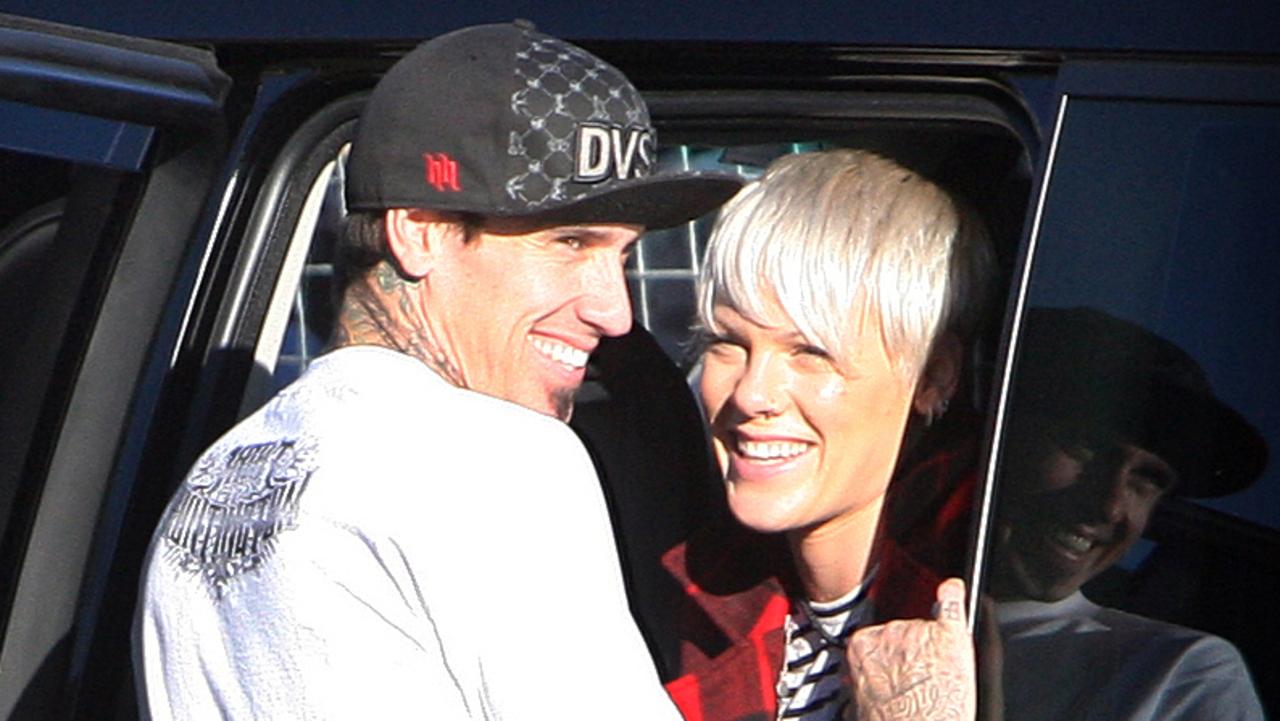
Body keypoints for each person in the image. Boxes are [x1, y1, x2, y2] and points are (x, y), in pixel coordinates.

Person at [132, 22, 743, 720]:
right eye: (570, 242)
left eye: (625, 256)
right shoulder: (500, 459)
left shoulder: (213, 484)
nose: (616, 312)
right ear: (420, 229)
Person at [660, 149, 994, 721]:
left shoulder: (984, 624)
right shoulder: (684, 600)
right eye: (727, 342)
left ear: (934, 376)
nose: (750, 394)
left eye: (811, 352)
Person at [986, 306, 1267, 721]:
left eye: (1147, 480)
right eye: (1087, 447)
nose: (1109, 505)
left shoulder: (1177, 674)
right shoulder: (867, 589)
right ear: (998, 430)